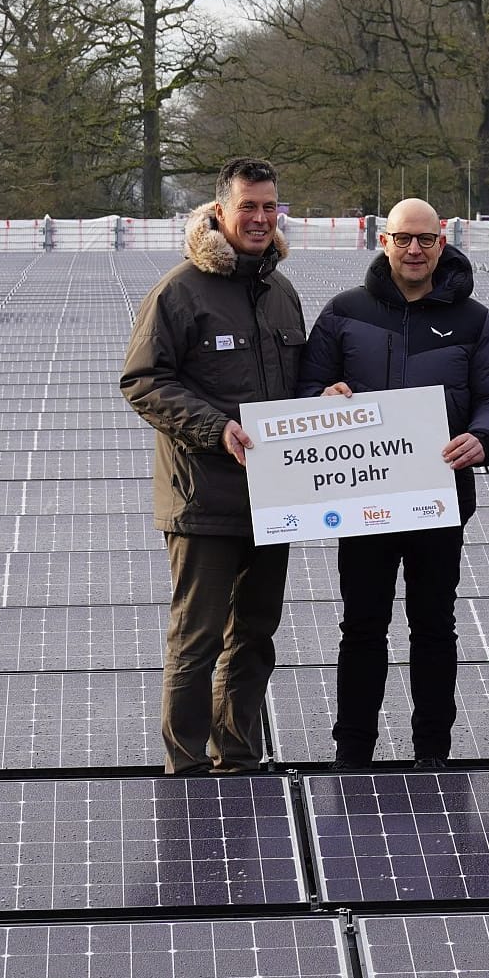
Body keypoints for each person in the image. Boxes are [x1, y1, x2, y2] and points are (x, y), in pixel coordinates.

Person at [300, 197, 489, 768]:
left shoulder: (474, 319)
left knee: (434, 627)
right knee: (363, 627)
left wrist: (485, 439)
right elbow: (305, 389)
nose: (414, 249)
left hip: (440, 498)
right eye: (403, 239)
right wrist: (323, 398)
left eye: (425, 239)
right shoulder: (344, 312)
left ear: (442, 242)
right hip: (363, 498)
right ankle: (353, 750)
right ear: (384, 241)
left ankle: (432, 750)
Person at [121, 157, 305, 774]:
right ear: (219, 211)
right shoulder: (179, 291)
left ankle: (240, 755)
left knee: (254, 636)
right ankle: (187, 764)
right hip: (203, 497)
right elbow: (143, 381)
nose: (259, 218)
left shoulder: (281, 292)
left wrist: (327, 400)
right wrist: (212, 427)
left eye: (269, 206)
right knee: (197, 639)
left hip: (273, 498)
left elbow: (296, 387)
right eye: (247, 206)